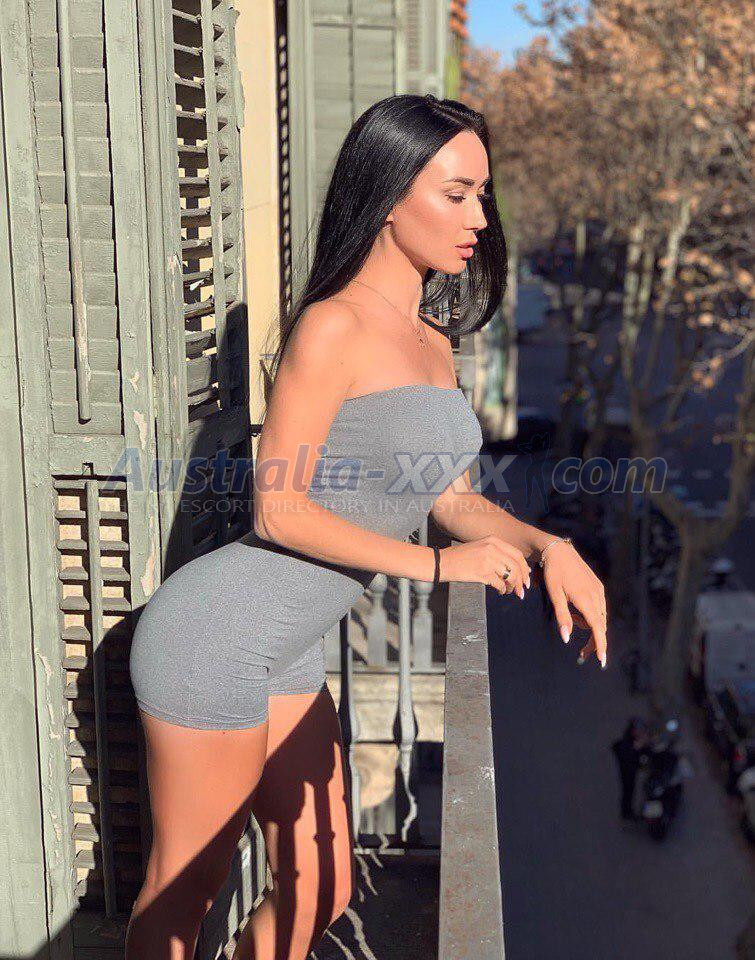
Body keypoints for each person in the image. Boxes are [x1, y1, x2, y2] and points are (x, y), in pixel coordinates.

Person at [126, 94, 609, 960]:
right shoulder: (332, 325)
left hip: (286, 648)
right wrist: (439, 569)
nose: (479, 218)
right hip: (215, 636)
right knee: (183, 893)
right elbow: (279, 509)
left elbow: (451, 500)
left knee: (324, 886)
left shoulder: (432, 337)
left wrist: (549, 546)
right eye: (456, 195)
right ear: (389, 195)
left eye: (482, 195)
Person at [611, 717, 650, 820]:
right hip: (628, 771)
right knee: (628, 791)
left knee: (629, 791)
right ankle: (627, 813)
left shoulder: (634, 740)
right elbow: (633, 754)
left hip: (630, 769)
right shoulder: (629, 743)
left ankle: (628, 812)